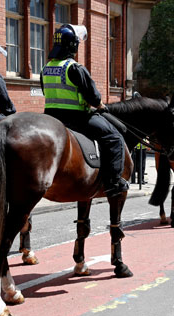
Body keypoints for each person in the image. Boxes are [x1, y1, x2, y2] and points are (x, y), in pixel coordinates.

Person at [40, 24, 129, 197]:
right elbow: (93, 98)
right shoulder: (74, 68)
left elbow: (45, 91)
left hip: (50, 118)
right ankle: (113, 182)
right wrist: (100, 105)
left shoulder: (45, 68)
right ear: (73, 46)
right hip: (77, 118)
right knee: (115, 138)